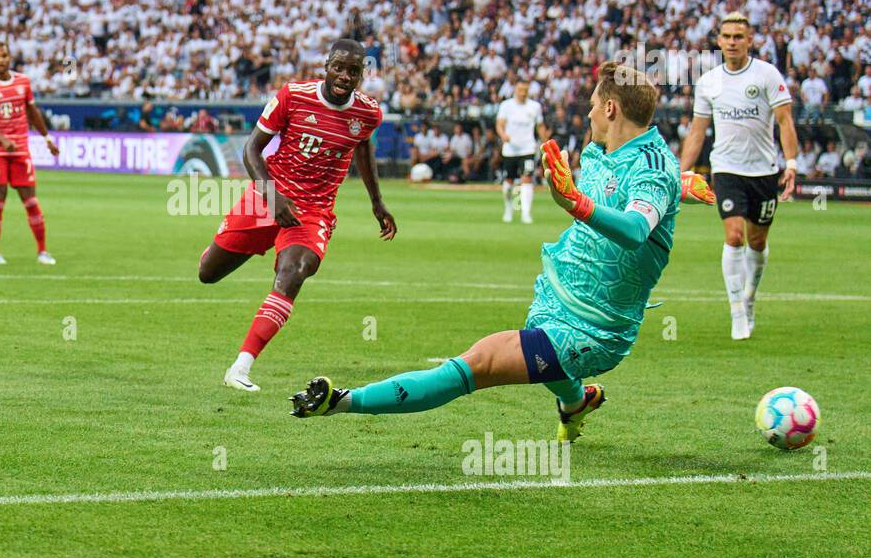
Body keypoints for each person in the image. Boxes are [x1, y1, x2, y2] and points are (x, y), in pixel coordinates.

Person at [289, 62, 716, 438]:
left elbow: (638, 228)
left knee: (479, 363)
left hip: (594, 328)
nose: (587, 112)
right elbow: (633, 187)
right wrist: (681, 186)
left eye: (592, 103)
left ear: (611, 109)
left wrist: (580, 203)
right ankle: (576, 403)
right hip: (557, 294)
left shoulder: (654, 169)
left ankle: (342, 401)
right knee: (548, 364)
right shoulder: (601, 150)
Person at [198, 39, 396, 393]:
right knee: (208, 274)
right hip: (269, 194)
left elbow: (363, 145)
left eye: (354, 71)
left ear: (362, 75)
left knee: (295, 271)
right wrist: (273, 197)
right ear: (327, 65)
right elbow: (252, 149)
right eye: (339, 67)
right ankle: (239, 239)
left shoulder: (368, 112)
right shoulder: (293, 95)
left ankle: (241, 367)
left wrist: (376, 201)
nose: (345, 76)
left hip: (313, 210)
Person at [678, 12, 799, 340]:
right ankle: (736, 311)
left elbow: (785, 121)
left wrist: (791, 163)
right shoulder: (709, 82)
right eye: (727, 36)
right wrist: (682, 171)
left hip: (763, 171)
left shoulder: (767, 75)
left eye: (738, 37)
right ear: (719, 41)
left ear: (749, 41)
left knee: (757, 242)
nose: (732, 42)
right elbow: (697, 132)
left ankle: (749, 298)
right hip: (727, 169)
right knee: (734, 236)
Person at [0, 42, 59, 265]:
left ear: (10, 58)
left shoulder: (23, 81)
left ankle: (42, 251)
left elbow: (33, 112)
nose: (1, 59)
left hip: (20, 149)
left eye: (4, 55)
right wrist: (2, 140)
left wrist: (47, 138)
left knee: (30, 199)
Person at [496, 80, 549, 223]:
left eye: (525, 90)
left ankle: (526, 213)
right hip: (510, 150)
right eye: (520, 90)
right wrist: (503, 135)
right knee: (508, 182)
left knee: (527, 179)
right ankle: (508, 208)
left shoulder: (534, 107)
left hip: (527, 148)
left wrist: (545, 143)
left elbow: (540, 126)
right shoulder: (506, 106)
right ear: (515, 90)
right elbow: (499, 124)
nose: (522, 93)